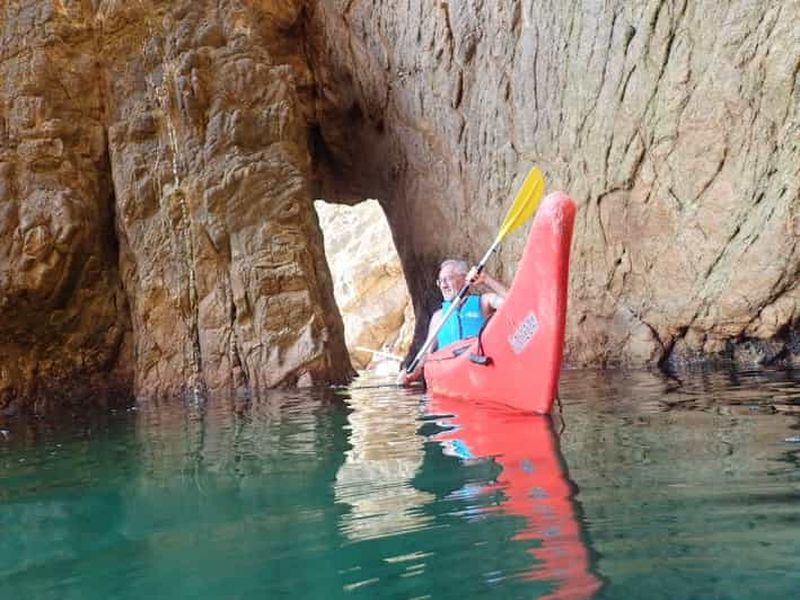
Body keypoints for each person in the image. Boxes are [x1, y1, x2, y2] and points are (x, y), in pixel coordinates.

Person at [398, 259, 508, 386]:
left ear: (464, 279)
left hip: (481, 374)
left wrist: (486, 279)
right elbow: (425, 356)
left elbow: (514, 302)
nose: (443, 285)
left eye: (448, 279)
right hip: (451, 380)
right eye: (440, 281)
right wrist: (410, 376)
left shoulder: (484, 302)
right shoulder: (438, 317)